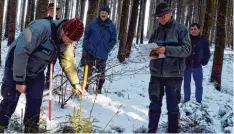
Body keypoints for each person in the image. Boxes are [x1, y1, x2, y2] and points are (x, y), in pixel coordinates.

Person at [0, 18, 84, 133]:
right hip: (15, 65)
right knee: (10, 100)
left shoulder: (66, 42)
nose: (70, 43)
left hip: (36, 71)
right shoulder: (40, 29)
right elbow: (21, 51)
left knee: (35, 103)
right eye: (70, 39)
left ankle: (31, 130)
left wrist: (76, 83)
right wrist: (20, 81)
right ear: (64, 32)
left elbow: (68, 62)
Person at [147, 2, 191, 133]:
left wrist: (166, 50)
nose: (161, 18)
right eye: (159, 16)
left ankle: (172, 131)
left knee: (172, 107)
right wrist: (153, 51)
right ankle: (151, 131)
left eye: (164, 15)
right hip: (156, 74)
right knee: (154, 105)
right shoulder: (156, 31)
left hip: (174, 75)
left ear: (170, 13)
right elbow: (151, 49)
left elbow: (187, 49)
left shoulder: (181, 29)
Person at [80, 4, 117, 94]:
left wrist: (107, 48)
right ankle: (85, 87)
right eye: (101, 12)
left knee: (101, 74)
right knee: (87, 71)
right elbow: (86, 35)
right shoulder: (93, 23)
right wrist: (86, 45)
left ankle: (98, 89)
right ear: (99, 13)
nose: (103, 14)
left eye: (105, 13)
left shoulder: (112, 27)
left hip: (102, 53)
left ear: (108, 14)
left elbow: (113, 40)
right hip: (90, 51)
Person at [183, 23, 210, 104]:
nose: (193, 31)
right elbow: (182, 50)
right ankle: (186, 100)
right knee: (186, 84)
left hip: (197, 66)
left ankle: (198, 101)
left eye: (195, 29)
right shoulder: (186, 39)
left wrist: (203, 62)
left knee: (199, 85)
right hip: (186, 66)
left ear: (199, 30)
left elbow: (207, 53)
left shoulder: (203, 39)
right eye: (191, 29)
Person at [44, 3, 60, 89]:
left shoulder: (60, 22)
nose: (52, 11)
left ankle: (48, 83)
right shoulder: (45, 20)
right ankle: (38, 82)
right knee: (41, 66)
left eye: (54, 10)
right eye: (50, 10)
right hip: (44, 47)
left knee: (51, 67)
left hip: (55, 48)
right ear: (48, 11)